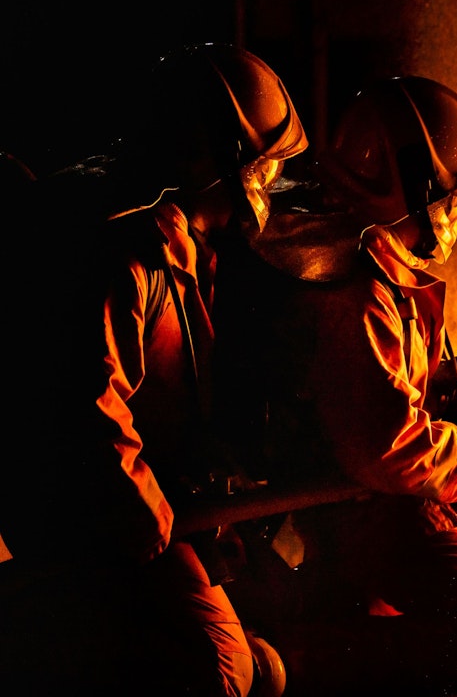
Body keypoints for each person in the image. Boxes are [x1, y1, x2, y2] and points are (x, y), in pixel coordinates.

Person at [212, 75, 457, 695]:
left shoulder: (375, 260)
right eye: (451, 200)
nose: (456, 215)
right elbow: (385, 445)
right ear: (415, 192)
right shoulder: (356, 286)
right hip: (353, 505)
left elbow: (399, 395)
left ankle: (359, 621)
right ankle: (282, 658)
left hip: (393, 494)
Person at [0, 42, 307, 697]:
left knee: (264, 639)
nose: (264, 187)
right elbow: (90, 411)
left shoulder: (176, 231)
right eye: (257, 167)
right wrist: (146, 514)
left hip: (139, 503)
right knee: (219, 673)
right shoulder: (119, 247)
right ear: (205, 159)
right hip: (84, 520)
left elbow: (173, 391)